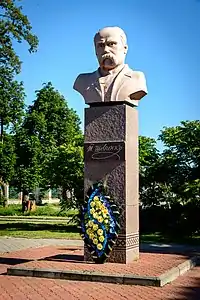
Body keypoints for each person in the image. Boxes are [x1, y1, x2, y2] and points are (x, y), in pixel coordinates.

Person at [73, 26, 147, 106]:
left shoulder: (136, 78)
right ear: (95, 51)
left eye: (111, 44)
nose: (105, 50)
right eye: (101, 45)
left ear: (125, 48)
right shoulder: (83, 81)